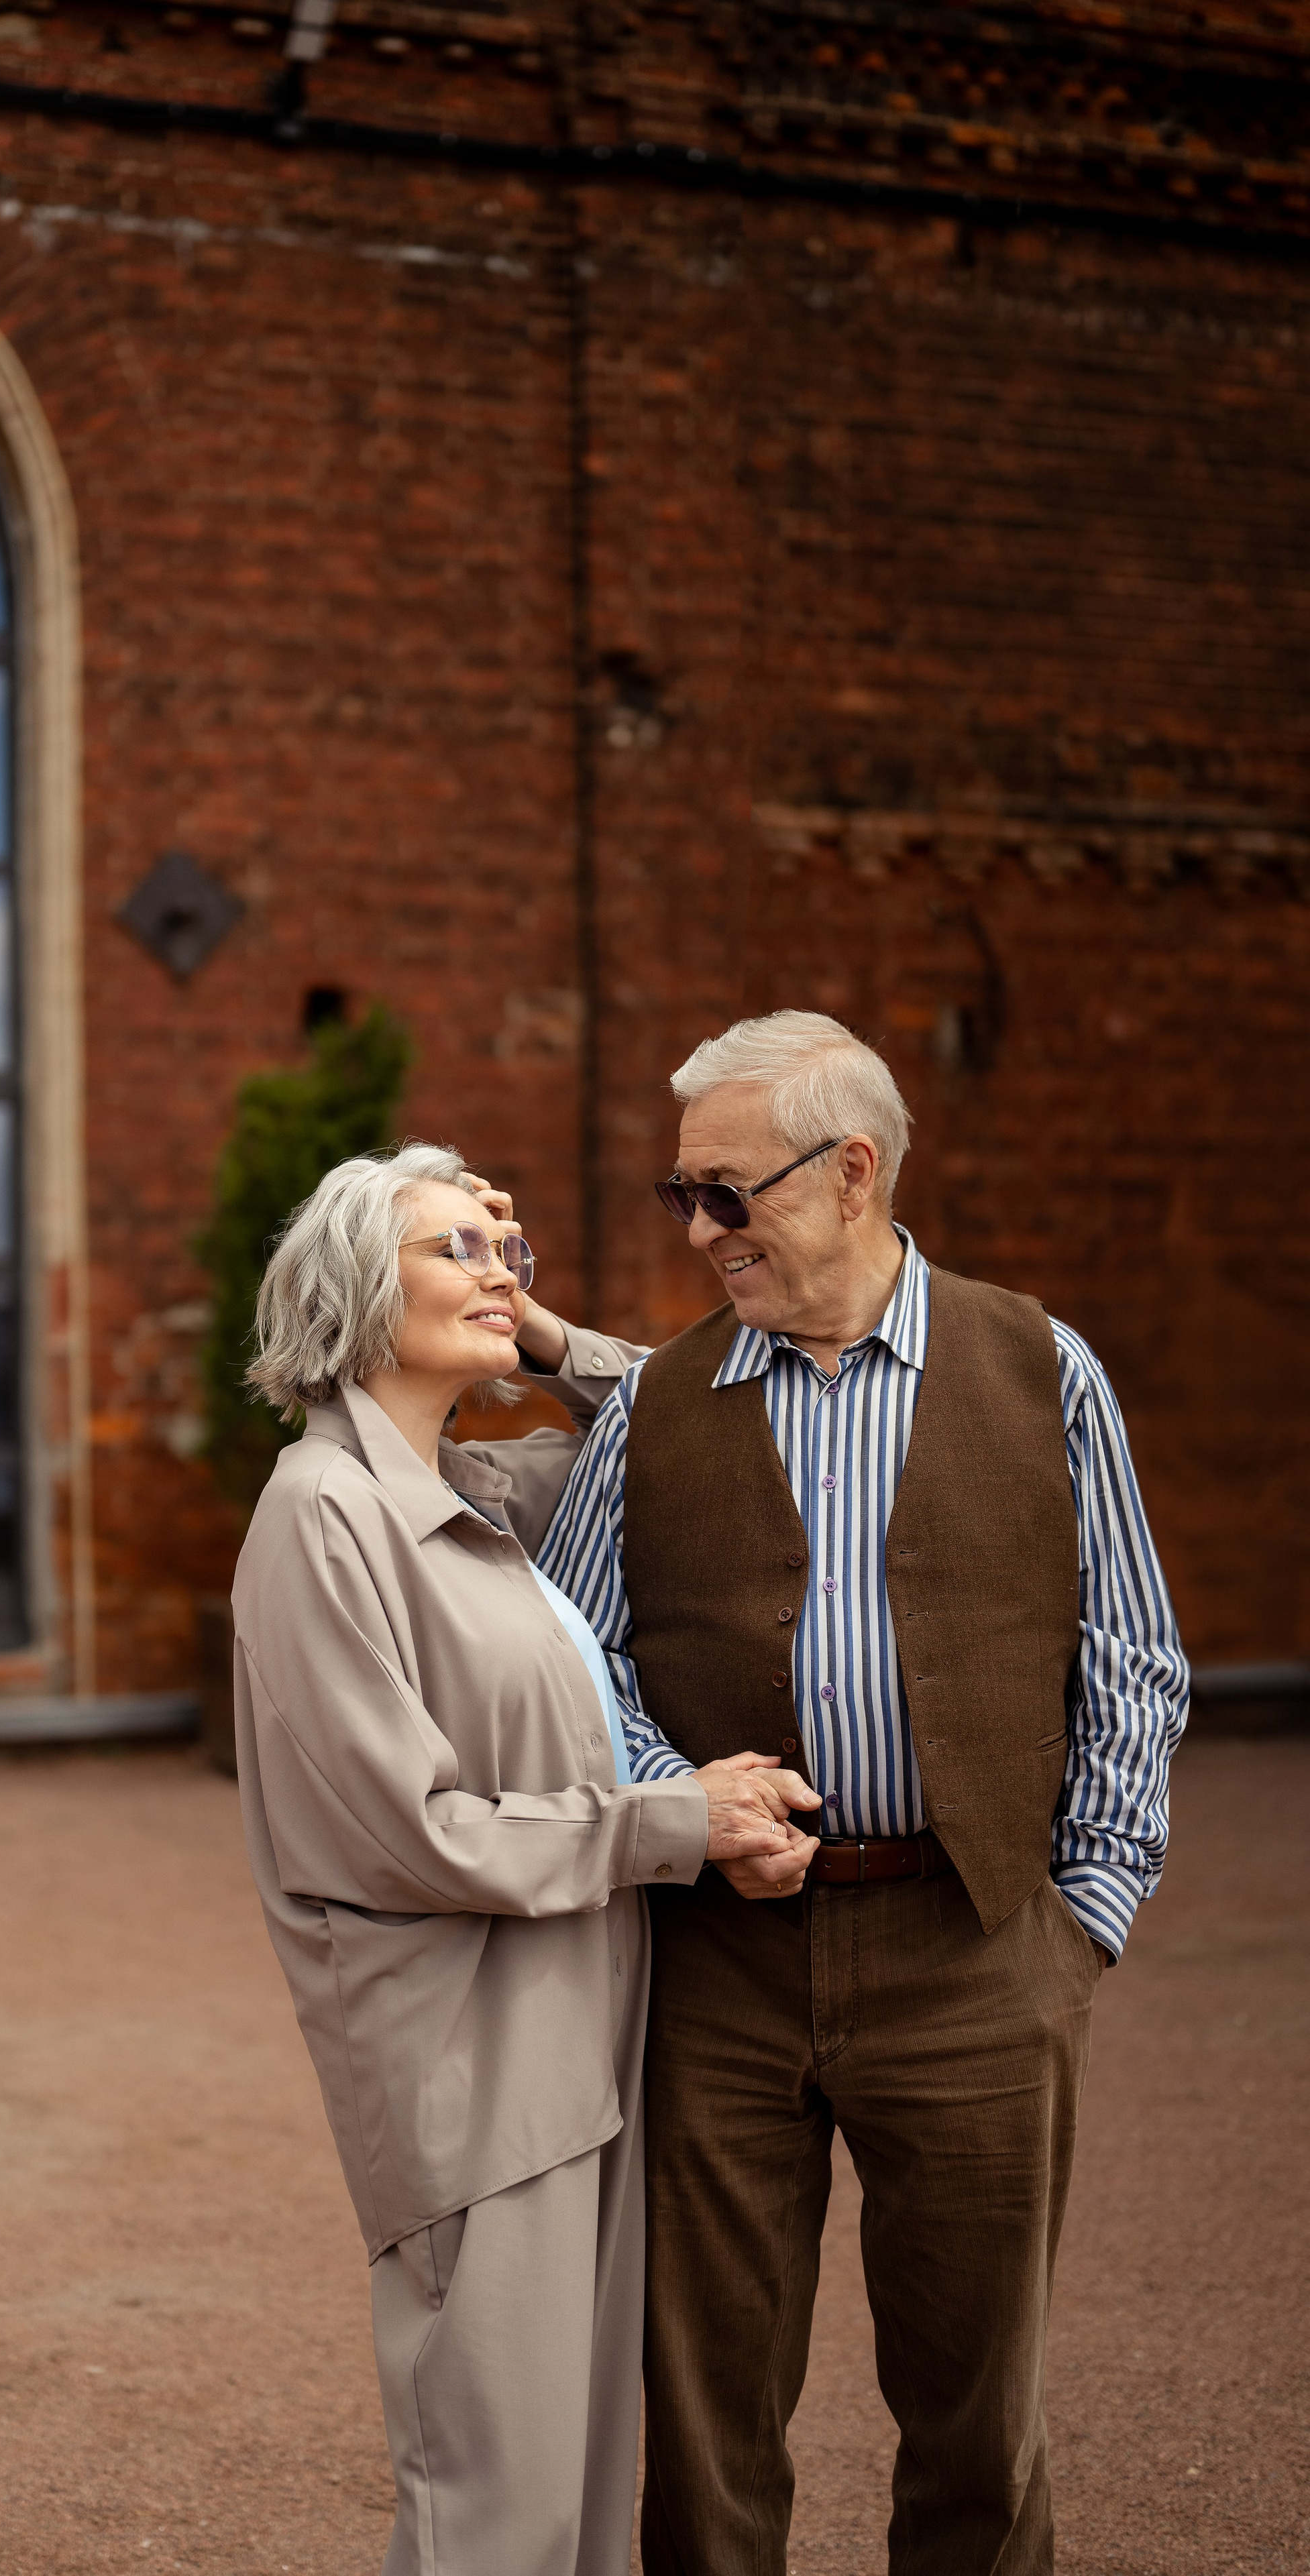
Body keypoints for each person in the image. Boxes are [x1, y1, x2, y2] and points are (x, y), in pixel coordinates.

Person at [535, 1010, 1190, 2576]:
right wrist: (681, 1801)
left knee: (976, 2417)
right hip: (719, 1968)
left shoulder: (1039, 1367)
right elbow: (572, 1660)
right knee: (702, 2414)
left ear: (850, 1172)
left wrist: (1080, 1918)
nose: (698, 1229)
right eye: (680, 1194)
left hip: (975, 1950)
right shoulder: (657, 1401)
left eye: (727, 1192)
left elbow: (1131, 1657)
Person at [230, 1143, 823, 2576]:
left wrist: (539, 1333)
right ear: (357, 1287)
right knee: (494, 2509)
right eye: (457, 1249)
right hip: (467, 2066)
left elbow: (696, 1411)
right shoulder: (323, 1514)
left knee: (577, 2498)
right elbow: (407, 1828)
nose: (499, 1269)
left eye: (511, 1253)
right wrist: (677, 1822)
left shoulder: (485, 1490)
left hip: (581, 2042)